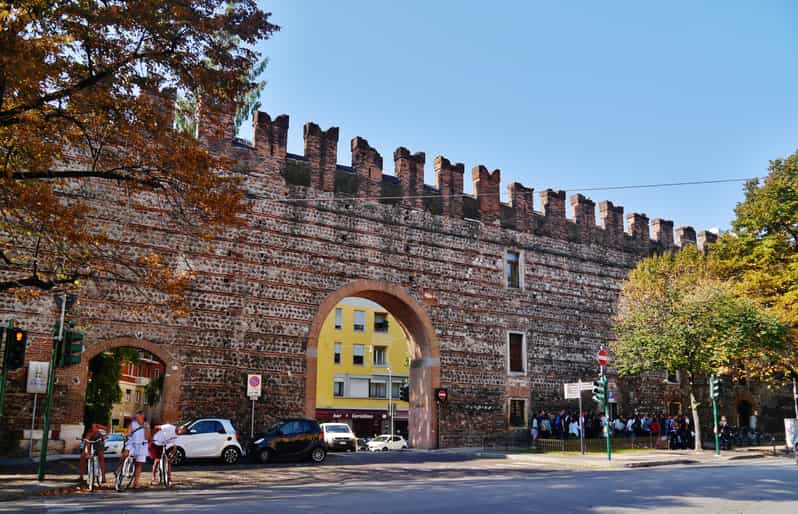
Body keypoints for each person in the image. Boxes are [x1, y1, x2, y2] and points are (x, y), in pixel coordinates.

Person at [116, 410, 151, 488]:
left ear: (142, 417)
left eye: (139, 416)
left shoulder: (147, 425)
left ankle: (136, 482)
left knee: (138, 464)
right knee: (125, 454)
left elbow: (147, 437)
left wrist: (147, 429)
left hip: (142, 445)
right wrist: (126, 434)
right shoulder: (133, 424)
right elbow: (129, 432)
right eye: (136, 417)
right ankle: (119, 468)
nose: (137, 418)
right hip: (132, 443)